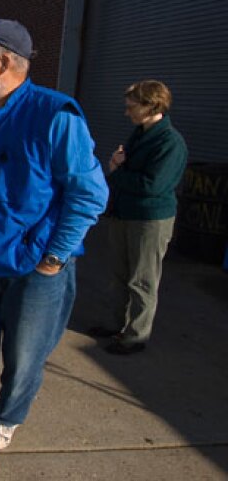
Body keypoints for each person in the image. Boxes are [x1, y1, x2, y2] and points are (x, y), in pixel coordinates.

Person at [0, 19, 108, 481]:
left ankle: (9, 415)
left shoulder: (56, 115)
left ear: (3, 61)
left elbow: (89, 195)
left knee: (22, 361)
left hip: (36, 271)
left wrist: (53, 258)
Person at [88, 80, 187, 355]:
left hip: (149, 219)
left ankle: (135, 335)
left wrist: (118, 170)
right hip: (125, 213)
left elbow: (153, 186)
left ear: (150, 106)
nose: (127, 112)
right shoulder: (141, 133)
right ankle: (114, 323)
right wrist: (120, 167)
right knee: (119, 273)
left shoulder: (170, 143)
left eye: (131, 106)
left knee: (142, 279)